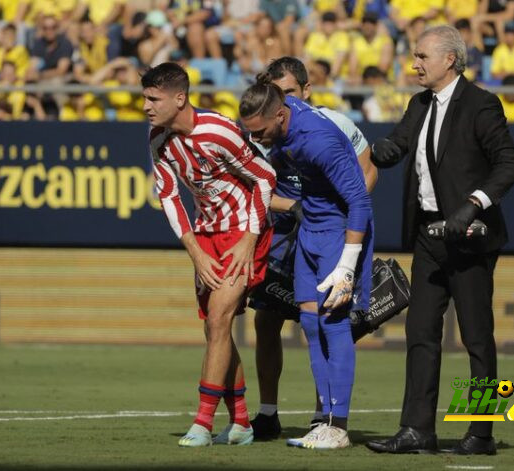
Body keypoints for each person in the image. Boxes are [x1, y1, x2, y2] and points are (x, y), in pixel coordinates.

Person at [366, 25, 514, 455]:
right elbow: (396, 147)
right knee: (420, 333)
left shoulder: (481, 104)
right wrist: (372, 149)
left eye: (421, 56)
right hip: (428, 237)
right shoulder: (418, 104)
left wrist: (473, 205)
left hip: (470, 237)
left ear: (449, 60)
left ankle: (481, 433)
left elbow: (510, 162)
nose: (414, 63)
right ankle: (417, 429)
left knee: (476, 337)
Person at [142, 62, 276, 447]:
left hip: (245, 230)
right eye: (145, 98)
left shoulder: (218, 130)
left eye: (154, 98)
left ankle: (202, 423)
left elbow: (266, 177)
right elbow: (169, 197)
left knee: (219, 320)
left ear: (180, 98)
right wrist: (195, 251)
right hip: (208, 235)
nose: (147, 106)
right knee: (213, 328)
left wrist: (249, 239)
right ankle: (242, 424)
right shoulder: (158, 140)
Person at [246, 56, 377, 442]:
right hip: (307, 230)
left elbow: (360, 201)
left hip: (337, 233)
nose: (257, 139)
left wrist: (349, 265)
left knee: (333, 324)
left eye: (260, 131)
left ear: (283, 114)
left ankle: (338, 425)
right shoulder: (279, 128)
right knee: (309, 322)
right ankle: (321, 424)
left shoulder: (320, 139)